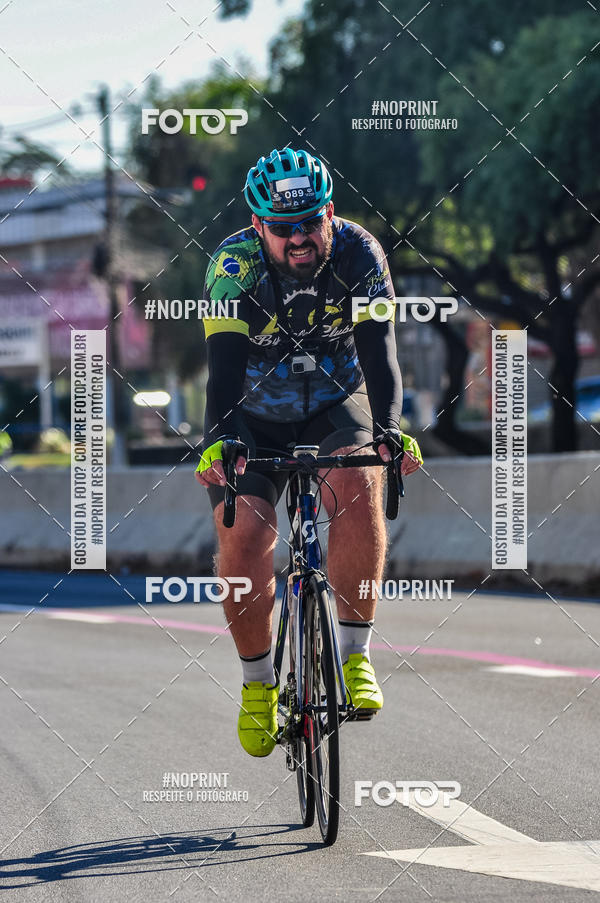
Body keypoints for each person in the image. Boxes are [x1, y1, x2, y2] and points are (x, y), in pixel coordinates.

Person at [195, 148, 422, 757]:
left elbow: (380, 351)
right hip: (252, 410)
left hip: (333, 399)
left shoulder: (360, 253)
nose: (299, 238)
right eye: (281, 227)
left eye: (310, 222)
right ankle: (257, 686)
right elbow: (222, 366)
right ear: (256, 223)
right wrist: (219, 439)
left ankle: (354, 653)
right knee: (243, 534)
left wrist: (390, 428)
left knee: (356, 487)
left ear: (329, 213)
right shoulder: (232, 266)